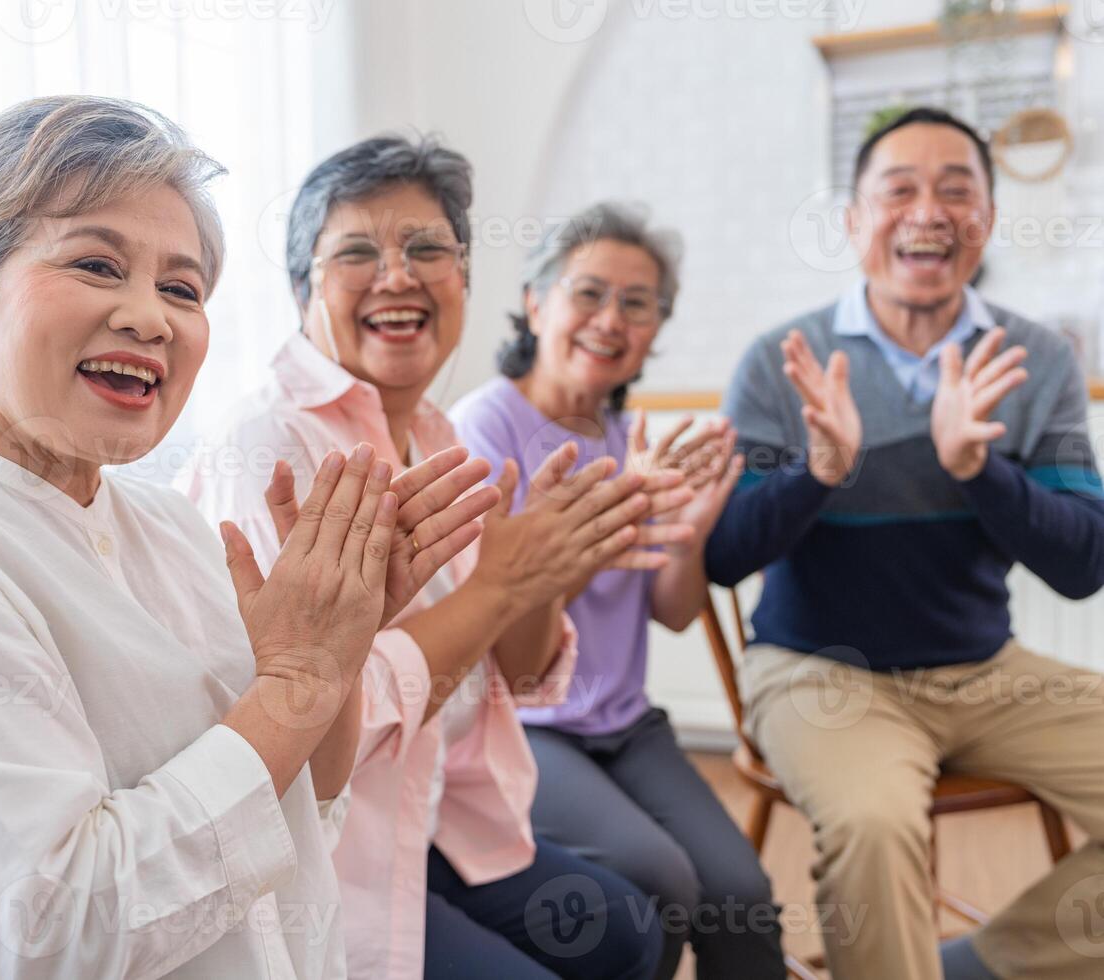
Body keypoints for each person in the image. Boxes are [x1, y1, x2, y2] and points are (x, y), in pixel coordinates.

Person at [0, 96, 493, 979]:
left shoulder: (170, 525)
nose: (150, 318)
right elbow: (49, 936)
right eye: (96, 264)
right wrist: (299, 677)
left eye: (181, 287)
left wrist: (339, 654)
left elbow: (301, 797)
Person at [183, 137, 671, 980]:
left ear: (466, 284)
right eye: (358, 253)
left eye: (427, 250)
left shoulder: (435, 436)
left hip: (440, 812)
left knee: (631, 930)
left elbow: (513, 675)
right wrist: (498, 587)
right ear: (304, 290)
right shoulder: (271, 449)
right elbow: (316, 730)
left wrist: (543, 579)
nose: (398, 275)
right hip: (322, 856)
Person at [707, 106, 1104, 980]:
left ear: (986, 222)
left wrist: (980, 470)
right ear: (854, 223)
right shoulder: (783, 358)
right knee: (875, 825)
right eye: (899, 190)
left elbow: (1083, 567)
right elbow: (721, 557)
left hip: (984, 670)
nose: (928, 211)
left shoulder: (1035, 359)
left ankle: (976, 965)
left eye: (956, 190)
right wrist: (817, 472)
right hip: (820, 668)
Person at [449, 201, 785, 980]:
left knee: (742, 893)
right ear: (536, 301)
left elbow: (670, 612)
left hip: (626, 725)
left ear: (655, 332)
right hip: (522, 724)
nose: (612, 319)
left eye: (638, 304)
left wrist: (687, 533)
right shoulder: (482, 430)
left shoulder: (616, 433)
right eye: (589, 293)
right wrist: (613, 520)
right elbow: (497, 632)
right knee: (659, 878)